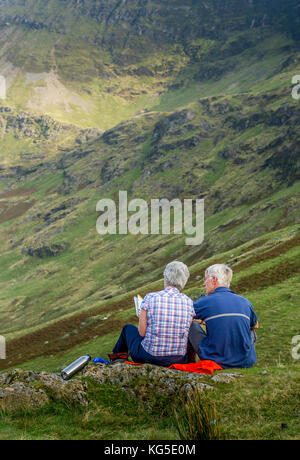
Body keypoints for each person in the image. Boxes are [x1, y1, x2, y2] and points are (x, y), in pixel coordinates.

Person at [112, 261, 195, 367]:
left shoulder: (151, 297)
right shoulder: (189, 302)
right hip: (178, 359)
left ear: (165, 277)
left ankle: (117, 361)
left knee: (127, 328)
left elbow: (142, 333)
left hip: (149, 356)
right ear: (184, 281)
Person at [189, 264, 258, 369]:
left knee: (191, 326)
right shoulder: (245, 302)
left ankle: (188, 361)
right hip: (246, 362)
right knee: (251, 330)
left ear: (214, 280)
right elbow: (255, 325)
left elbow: (183, 316)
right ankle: (243, 358)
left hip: (216, 360)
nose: (204, 284)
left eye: (206, 279)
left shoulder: (205, 301)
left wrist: (199, 321)